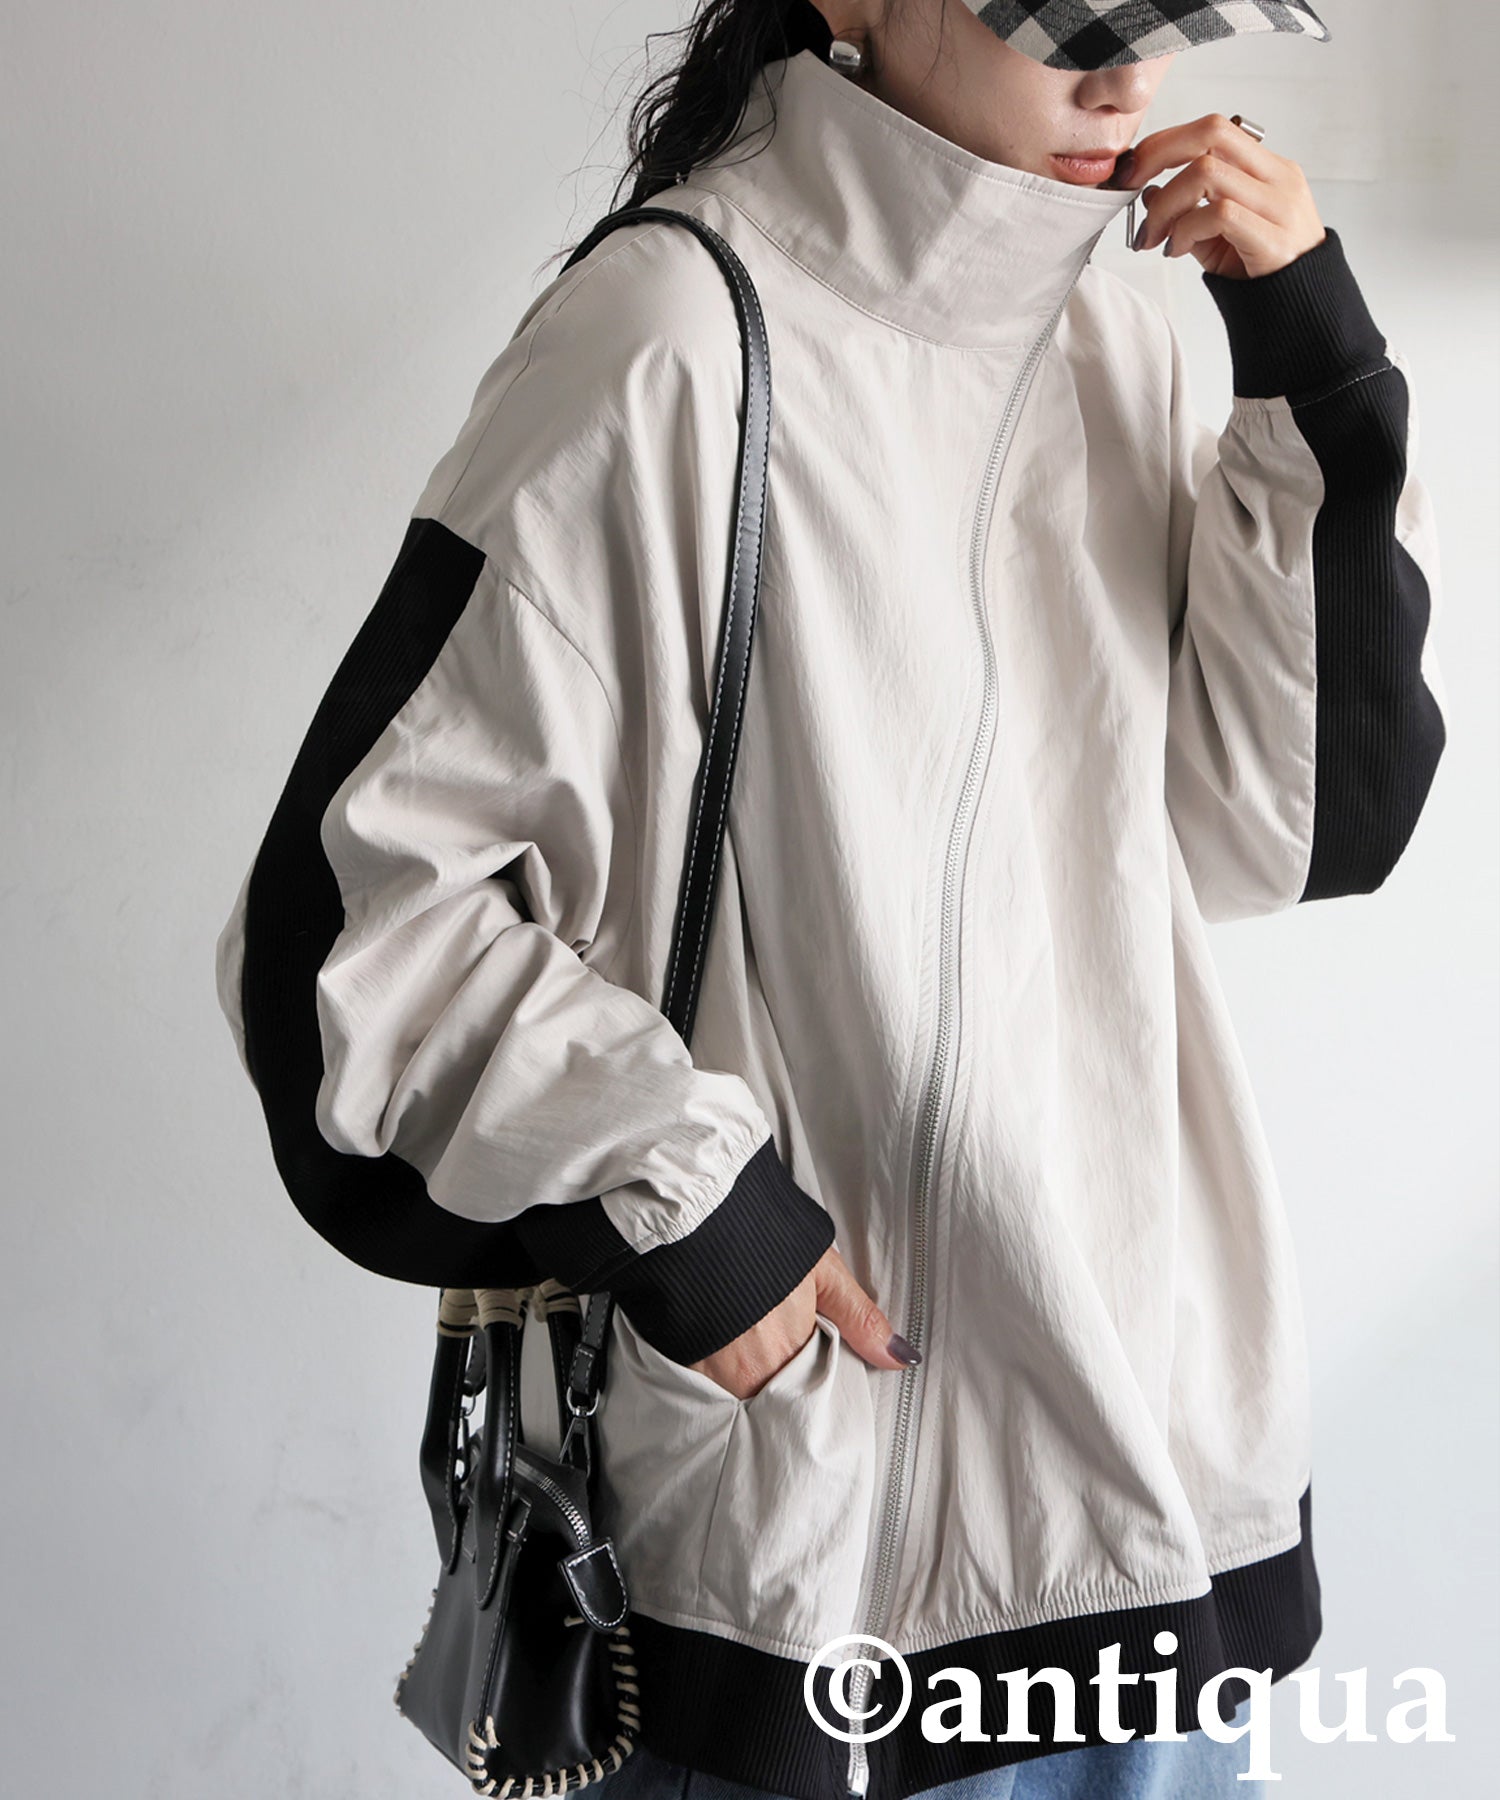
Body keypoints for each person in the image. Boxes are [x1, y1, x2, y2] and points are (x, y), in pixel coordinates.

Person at [213, 2, 1448, 1798]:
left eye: (1164, 15)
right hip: (815, 1546)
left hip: (1148, 1503)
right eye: (1066, 15)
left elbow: (1298, 827)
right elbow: (354, 928)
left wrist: (1314, 369)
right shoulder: (669, 334)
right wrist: (694, 1214)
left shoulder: (1115, 329)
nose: (1124, 79)